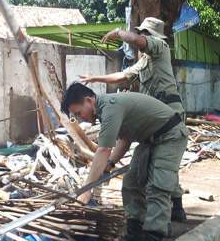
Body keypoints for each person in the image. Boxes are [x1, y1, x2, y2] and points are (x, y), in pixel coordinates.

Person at [61, 82, 189, 241]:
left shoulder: (110, 106)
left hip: (169, 136)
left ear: (89, 100)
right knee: (131, 183)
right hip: (150, 140)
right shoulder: (107, 109)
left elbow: (104, 149)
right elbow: (125, 139)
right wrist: (110, 164)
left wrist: (87, 189)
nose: (81, 119)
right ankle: (135, 238)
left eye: (79, 113)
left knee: (157, 190)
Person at [79, 17, 188, 223]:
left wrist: (118, 32)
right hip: (152, 120)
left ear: (149, 36)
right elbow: (122, 77)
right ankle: (159, 217)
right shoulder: (144, 63)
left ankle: (171, 213)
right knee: (149, 168)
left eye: (143, 34)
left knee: (163, 166)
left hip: (170, 113)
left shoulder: (160, 47)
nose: (140, 39)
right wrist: (94, 78)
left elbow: (137, 41)